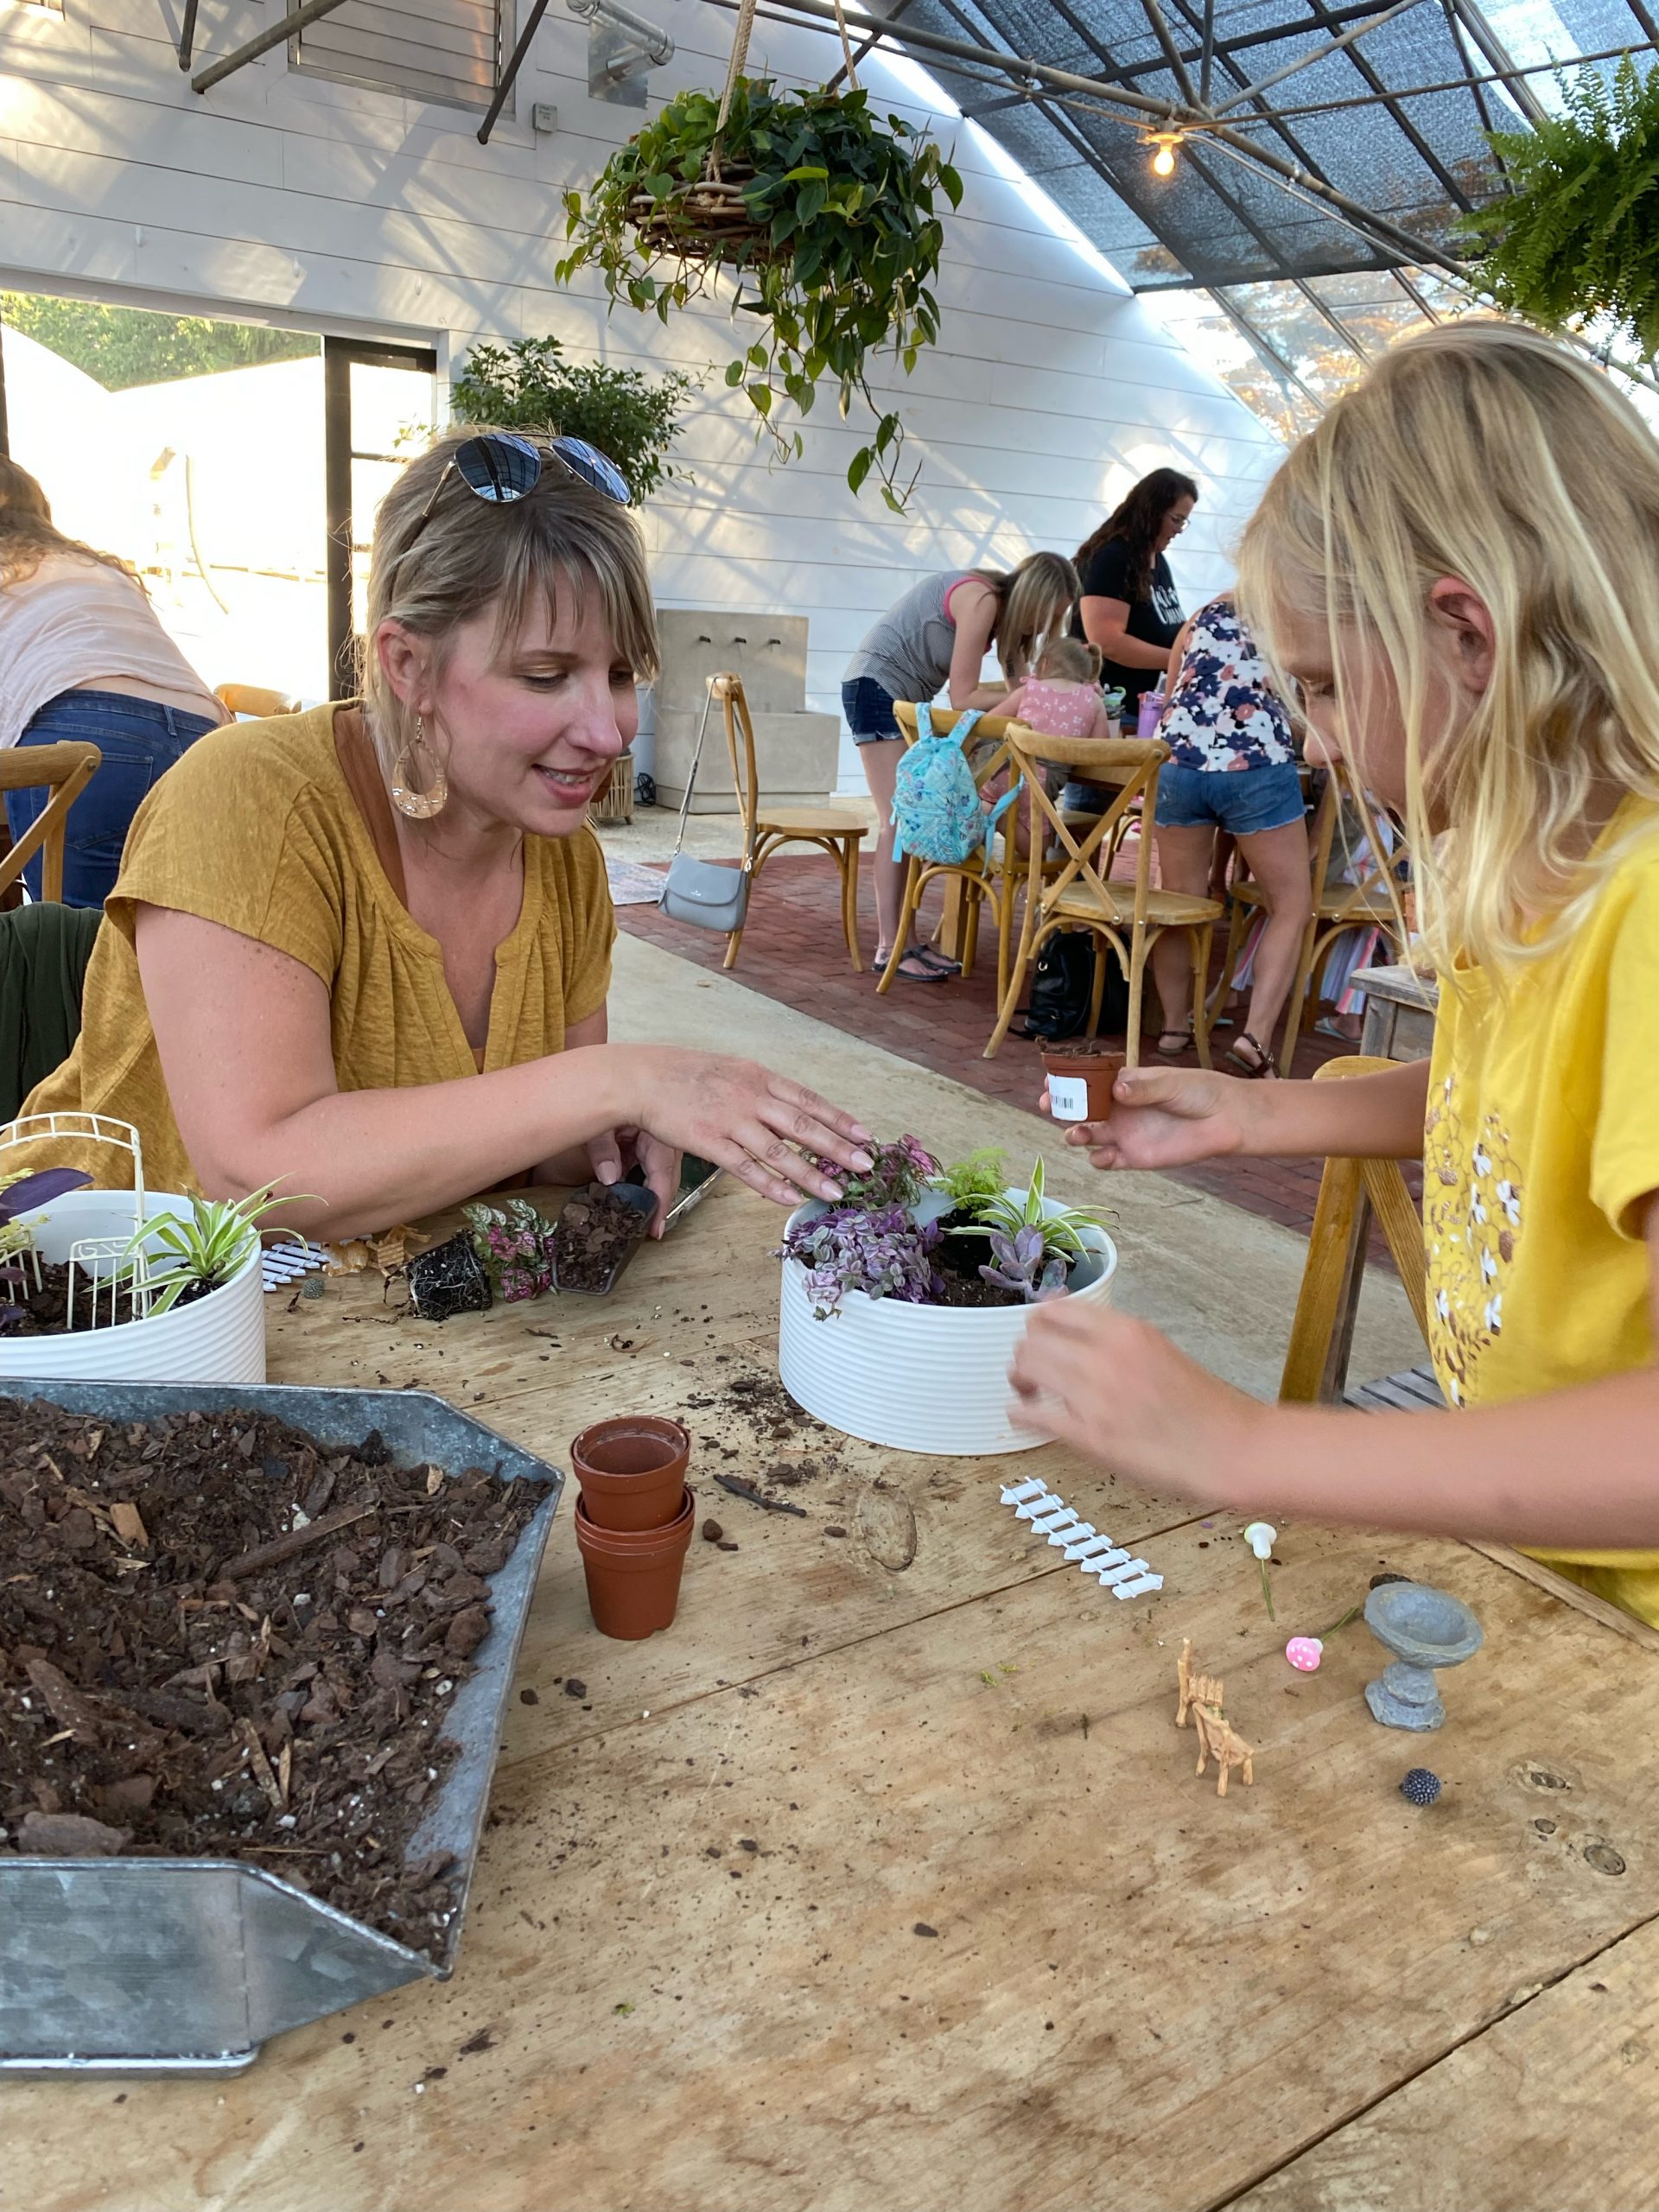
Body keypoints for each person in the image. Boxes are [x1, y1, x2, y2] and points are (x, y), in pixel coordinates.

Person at [1013, 320, 1659, 1629]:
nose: (1310, 734)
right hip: (1533, 1553)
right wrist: (1270, 1114)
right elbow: (1519, 1106)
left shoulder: (1645, 908)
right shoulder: (1536, 867)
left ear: (1466, 636)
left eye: (1317, 685)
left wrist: (1248, 1445)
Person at [22, 429, 873, 1237]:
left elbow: (526, 1136)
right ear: (407, 665)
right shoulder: (248, 800)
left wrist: (615, 1129)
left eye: (619, 674)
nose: (611, 732)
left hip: (391, 1332)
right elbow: (257, 1174)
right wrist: (620, 1080)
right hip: (93, 1311)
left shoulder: (562, 855)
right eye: (547, 675)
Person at [0, 459, 226, 908]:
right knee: (185, 936)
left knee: (77, 951)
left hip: (82, 733)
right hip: (207, 736)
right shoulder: (94, 567)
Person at [842, 553, 1077, 982]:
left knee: (907, 816)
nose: (1044, 629)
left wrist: (1033, 696)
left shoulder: (1003, 621)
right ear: (1030, 598)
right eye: (1046, 616)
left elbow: (1017, 688)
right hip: (875, 689)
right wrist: (1036, 697)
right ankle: (889, 947)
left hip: (902, 699)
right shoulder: (983, 599)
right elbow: (964, 699)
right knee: (898, 818)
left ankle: (908, 943)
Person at [1147, 595, 1310, 1075]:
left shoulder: (1205, 613)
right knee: (1291, 905)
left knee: (1180, 903)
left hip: (1178, 763)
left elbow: (1172, 688)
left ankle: (1176, 1027)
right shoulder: (1301, 611)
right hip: (1256, 764)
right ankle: (1255, 1039)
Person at [1072, 467, 1198, 715]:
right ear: (1151, 511)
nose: (1179, 530)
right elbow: (1107, 642)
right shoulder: (1112, 558)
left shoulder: (1156, 560)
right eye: (1176, 519)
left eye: (1184, 521)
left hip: (1144, 705)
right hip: (1110, 708)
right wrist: (1181, 661)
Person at [981, 635, 1117, 856]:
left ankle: (986, 810)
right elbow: (1100, 751)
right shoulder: (1092, 701)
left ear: (1044, 663)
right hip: (1043, 782)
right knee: (1036, 852)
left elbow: (988, 723)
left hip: (1004, 769)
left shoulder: (1028, 690)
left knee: (992, 802)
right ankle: (998, 817)